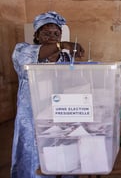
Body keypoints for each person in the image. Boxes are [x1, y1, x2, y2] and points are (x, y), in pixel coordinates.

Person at [11, 11, 84, 178]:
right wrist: (62, 45)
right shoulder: (23, 51)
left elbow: (74, 82)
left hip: (59, 113)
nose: (53, 36)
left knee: (60, 150)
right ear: (36, 35)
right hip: (32, 117)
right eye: (47, 33)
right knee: (35, 153)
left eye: (56, 33)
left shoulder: (65, 57)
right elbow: (33, 58)